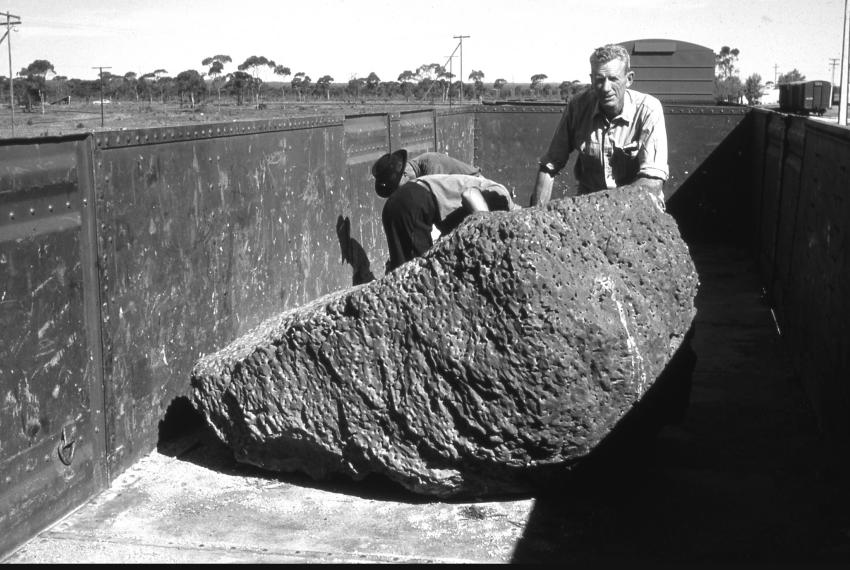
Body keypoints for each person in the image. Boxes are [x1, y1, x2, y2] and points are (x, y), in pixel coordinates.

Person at [529, 44, 669, 206]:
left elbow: (652, 181)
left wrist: (607, 209)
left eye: (614, 79)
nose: (606, 88)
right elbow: (549, 166)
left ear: (629, 79)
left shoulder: (648, 109)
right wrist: (536, 215)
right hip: (589, 206)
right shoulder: (577, 107)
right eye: (599, 80)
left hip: (638, 207)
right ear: (592, 80)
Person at [376, 171, 520, 272]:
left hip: (401, 202)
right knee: (417, 270)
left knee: (402, 269)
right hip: (413, 200)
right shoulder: (503, 197)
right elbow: (470, 194)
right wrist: (488, 235)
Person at [372, 149, 483, 198]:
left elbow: (438, 200)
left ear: (405, 174)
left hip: (479, 189)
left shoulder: (431, 164)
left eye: (400, 188)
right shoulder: (421, 173)